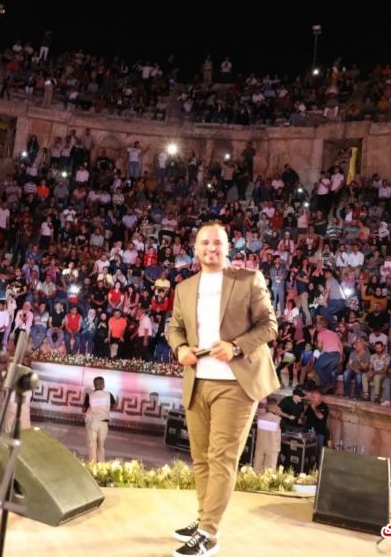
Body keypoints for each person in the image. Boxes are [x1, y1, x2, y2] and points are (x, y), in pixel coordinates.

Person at [167, 222, 279, 557]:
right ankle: (205, 518)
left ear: (228, 246)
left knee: (221, 459)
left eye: (217, 243)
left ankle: (209, 534)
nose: (211, 248)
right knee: (201, 458)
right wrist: (180, 349)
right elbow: (175, 328)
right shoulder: (185, 287)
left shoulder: (248, 279)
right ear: (195, 248)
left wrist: (236, 346)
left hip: (235, 384)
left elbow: (269, 326)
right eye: (205, 243)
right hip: (198, 381)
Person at [82, 376, 116, 462]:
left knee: (92, 445)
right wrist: (106, 410)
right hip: (104, 423)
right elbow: (114, 406)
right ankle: (101, 464)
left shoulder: (89, 395)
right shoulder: (109, 395)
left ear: (94, 385)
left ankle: (92, 464)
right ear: (103, 384)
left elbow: (84, 410)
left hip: (92, 423)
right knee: (101, 445)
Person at [303, 386, 330, 465]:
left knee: (317, 452)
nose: (312, 399)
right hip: (309, 432)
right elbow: (305, 416)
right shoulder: (310, 406)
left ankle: (317, 467)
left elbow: (321, 417)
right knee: (309, 452)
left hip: (319, 433)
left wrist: (314, 408)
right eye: (312, 397)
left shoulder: (324, 407)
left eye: (314, 397)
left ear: (319, 398)